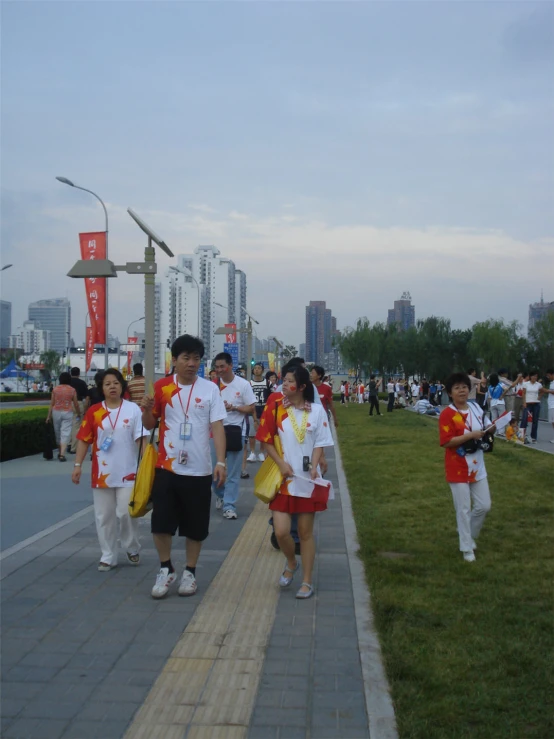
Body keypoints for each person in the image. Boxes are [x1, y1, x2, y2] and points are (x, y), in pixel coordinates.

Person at [141, 334, 227, 599]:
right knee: (161, 524)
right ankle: (166, 569)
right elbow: (148, 425)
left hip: (199, 470)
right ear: (175, 360)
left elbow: (217, 426)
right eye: (186, 358)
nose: (192, 363)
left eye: (197, 358)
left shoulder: (210, 389)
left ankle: (190, 571)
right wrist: (145, 410)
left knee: (195, 526)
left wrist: (221, 461)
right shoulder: (162, 387)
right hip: (166, 468)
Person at [257, 365, 334, 599]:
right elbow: (266, 440)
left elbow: (320, 441)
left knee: (305, 532)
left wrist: (317, 461)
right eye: (284, 380)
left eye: (289, 381)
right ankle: (291, 562)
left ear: (301, 387)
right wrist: (280, 463)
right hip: (284, 479)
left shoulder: (317, 412)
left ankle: (307, 581)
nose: (284, 384)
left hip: (307, 480)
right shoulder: (276, 407)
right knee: (281, 532)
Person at [72, 368, 147, 571]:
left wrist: (145, 466)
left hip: (129, 472)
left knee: (126, 513)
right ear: (102, 389)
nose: (112, 386)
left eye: (115, 382)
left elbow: (142, 440)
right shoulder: (94, 411)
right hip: (102, 474)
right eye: (107, 384)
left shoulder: (133, 410)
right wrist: (78, 465)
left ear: (122, 386)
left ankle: (131, 547)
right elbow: (83, 440)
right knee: (103, 516)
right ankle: (108, 554)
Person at [439, 373, 493, 563]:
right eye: (457, 388)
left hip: (477, 465)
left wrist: (493, 427)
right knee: (463, 509)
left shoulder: (476, 407)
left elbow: (486, 427)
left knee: (484, 505)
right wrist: (470, 435)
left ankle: (468, 534)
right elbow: (446, 442)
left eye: (464, 387)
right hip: (457, 466)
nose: (462, 390)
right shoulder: (448, 414)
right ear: (450, 393)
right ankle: (466, 547)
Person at [212, 351, 256, 519]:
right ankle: (221, 494)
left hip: (236, 431)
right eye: (217, 367)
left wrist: (234, 408)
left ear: (230, 366)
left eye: (222, 366)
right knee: (212, 471)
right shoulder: (213, 385)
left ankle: (229, 506)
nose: (219, 370)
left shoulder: (243, 385)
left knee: (233, 472)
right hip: (215, 432)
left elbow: (251, 407)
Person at [46, 372, 80, 462]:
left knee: (57, 432)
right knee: (65, 432)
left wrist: (48, 416)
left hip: (56, 412)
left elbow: (51, 403)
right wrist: (79, 413)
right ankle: (62, 454)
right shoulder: (72, 390)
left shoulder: (55, 389)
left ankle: (60, 451)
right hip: (68, 412)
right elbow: (76, 404)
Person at [248, 362, 267, 462]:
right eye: (255, 368)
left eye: (259, 368)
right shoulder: (249, 383)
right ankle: (252, 452)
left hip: (264, 412)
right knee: (252, 434)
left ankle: (261, 452)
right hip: (252, 412)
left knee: (263, 434)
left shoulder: (268, 383)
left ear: (262, 370)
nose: (256, 370)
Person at [68, 367, 88, 453]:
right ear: (79, 374)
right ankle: (74, 447)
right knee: (76, 426)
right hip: (78, 404)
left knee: (67, 425)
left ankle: (68, 444)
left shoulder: (67, 382)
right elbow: (86, 396)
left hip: (67, 404)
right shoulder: (82, 383)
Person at [519, 371, 543, 444]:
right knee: (524, 419)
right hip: (528, 403)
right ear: (530, 376)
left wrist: (539, 397)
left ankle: (533, 437)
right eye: (533, 376)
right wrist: (524, 402)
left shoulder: (538, 384)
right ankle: (521, 435)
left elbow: (542, 391)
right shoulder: (526, 384)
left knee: (535, 421)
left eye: (536, 376)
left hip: (536, 404)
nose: (535, 378)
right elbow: (523, 393)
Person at [544, 369, 554, 444]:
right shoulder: (551, 383)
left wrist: (546, 390)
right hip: (551, 404)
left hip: (553, 405)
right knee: (552, 422)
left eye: (549, 375)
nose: (548, 377)